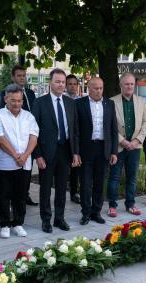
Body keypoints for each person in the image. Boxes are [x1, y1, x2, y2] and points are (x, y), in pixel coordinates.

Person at [32, 68, 79, 233]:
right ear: (50, 83)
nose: (61, 85)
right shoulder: (39, 103)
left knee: (61, 187)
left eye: (63, 82)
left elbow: (75, 131)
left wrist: (76, 152)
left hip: (65, 150)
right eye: (57, 81)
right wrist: (37, 155)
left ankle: (59, 218)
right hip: (46, 152)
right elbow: (33, 132)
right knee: (45, 188)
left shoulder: (71, 103)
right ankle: (46, 220)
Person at [0, 84, 39, 238]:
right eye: (13, 100)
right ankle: (5, 224)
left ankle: (18, 223)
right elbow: (0, 138)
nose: (17, 104)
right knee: (5, 195)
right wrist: (15, 155)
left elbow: (34, 137)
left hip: (24, 163)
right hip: (4, 163)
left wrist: (24, 156)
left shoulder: (29, 116)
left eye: (19, 100)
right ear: (6, 99)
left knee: (20, 195)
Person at [74, 77, 118, 225]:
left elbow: (113, 129)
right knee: (85, 184)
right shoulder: (79, 104)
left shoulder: (109, 104)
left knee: (100, 183)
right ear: (89, 88)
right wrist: (76, 152)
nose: (99, 91)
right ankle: (85, 213)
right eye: (95, 88)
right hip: (86, 149)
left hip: (103, 149)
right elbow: (76, 130)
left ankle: (96, 212)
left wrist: (114, 152)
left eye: (101, 88)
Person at [107, 72, 146, 217]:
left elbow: (145, 122)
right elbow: (110, 125)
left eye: (132, 84)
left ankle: (130, 204)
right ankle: (112, 205)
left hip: (135, 146)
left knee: (132, 177)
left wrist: (137, 140)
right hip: (118, 146)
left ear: (134, 85)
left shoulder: (141, 101)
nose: (130, 86)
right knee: (114, 177)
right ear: (121, 85)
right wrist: (122, 141)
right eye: (127, 84)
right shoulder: (111, 102)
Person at [0, 65, 38, 206]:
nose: (22, 78)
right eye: (19, 75)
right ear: (13, 77)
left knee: (27, 166)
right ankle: (12, 197)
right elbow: (5, 114)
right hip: (13, 137)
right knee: (13, 168)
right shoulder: (6, 92)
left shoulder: (30, 93)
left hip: (29, 135)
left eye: (24, 75)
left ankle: (25, 194)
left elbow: (34, 113)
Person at [65, 74, 81, 204]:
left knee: (76, 167)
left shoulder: (81, 101)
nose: (72, 86)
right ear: (65, 85)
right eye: (69, 84)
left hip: (78, 139)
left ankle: (74, 191)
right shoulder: (62, 100)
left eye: (74, 84)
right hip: (65, 140)